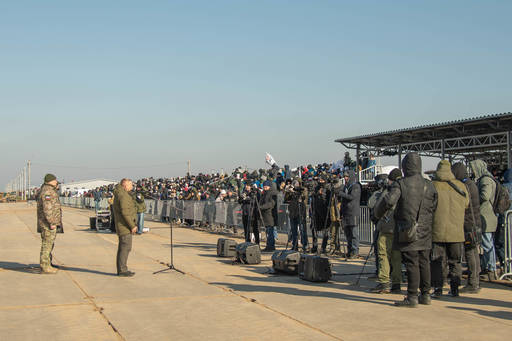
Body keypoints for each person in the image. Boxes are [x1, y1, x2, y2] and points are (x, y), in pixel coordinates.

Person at [375, 152, 438, 307]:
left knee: (412, 263)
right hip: (425, 229)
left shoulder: (401, 184)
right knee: (424, 261)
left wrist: (377, 213)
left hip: (407, 228)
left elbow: (389, 201)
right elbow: (435, 205)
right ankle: (425, 294)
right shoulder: (429, 184)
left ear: (405, 167)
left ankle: (412, 296)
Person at [431, 160, 469, 298]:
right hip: (456, 231)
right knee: (455, 261)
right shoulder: (460, 186)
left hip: (437, 230)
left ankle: (438, 288)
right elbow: (466, 204)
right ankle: (455, 288)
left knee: (437, 261)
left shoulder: (433, 185)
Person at [369, 168, 403, 294]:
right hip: (400, 228)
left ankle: (384, 282)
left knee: (383, 254)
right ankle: (396, 283)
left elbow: (377, 206)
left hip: (387, 227)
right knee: (396, 256)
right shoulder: (405, 188)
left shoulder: (391, 190)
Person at [452, 162, 482, 293]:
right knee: (473, 252)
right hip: (474, 223)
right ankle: (475, 281)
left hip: (469, 223)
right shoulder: (471, 185)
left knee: (470, 252)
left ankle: (472, 283)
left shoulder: (465, 186)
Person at [470, 160, 498, 280]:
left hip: (486, 216)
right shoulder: (486, 178)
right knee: (486, 243)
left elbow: (485, 196)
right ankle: (488, 268)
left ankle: (491, 269)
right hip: (486, 215)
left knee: (487, 243)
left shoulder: (485, 179)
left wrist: (473, 198)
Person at [37, 174, 63, 274]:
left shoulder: (48, 189)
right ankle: (45, 266)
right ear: (50, 181)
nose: (56, 182)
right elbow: (47, 208)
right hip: (48, 223)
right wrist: (51, 222)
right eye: (55, 180)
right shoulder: (47, 191)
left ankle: (48, 263)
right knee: (47, 244)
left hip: (48, 222)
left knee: (49, 244)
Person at [113, 179, 137, 277]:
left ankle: (121, 268)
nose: (132, 187)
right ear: (125, 185)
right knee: (125, 248)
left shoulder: (120, 194)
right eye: (131, 185)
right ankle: (122, 270)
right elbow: (125, 212)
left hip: (122, 225)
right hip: (124, 226)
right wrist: (132, 225)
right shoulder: (123, 195)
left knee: (123, 248)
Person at [338, 170, 361, 259]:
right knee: (348, 234)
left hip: (353, 213)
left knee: (354, 234)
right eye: (345, 177)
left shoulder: (356, 186)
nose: (346, 178)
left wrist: (342, 194)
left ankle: (355, 251)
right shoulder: (345, 187)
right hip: (346, 213)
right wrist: (340, 213)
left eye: (347, 176)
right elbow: (343, 201)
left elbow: (352, 197)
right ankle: (349, 250)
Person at [284, 179, 308, 251]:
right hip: (293, 212)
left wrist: (296, 191)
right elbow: (286, 199)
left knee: (302, 230)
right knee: (294, 230)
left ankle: (305, 245)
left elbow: (304, 197)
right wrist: (288, 191)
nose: (295, 185)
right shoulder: (291, 191)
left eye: (297, 183)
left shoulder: (303, 190)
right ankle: (295, 245)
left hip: (301, 212)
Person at [260, 180, 276, 251]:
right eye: (264, 187)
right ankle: (268, 245)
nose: (265, 188)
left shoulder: (272, 193)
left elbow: (271, 204)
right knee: (268, 232)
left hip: (269, 215)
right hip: (265, 216)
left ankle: (271, 246)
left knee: (270, 232)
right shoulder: (263, 194)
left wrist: (261, 207)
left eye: (266, 187)